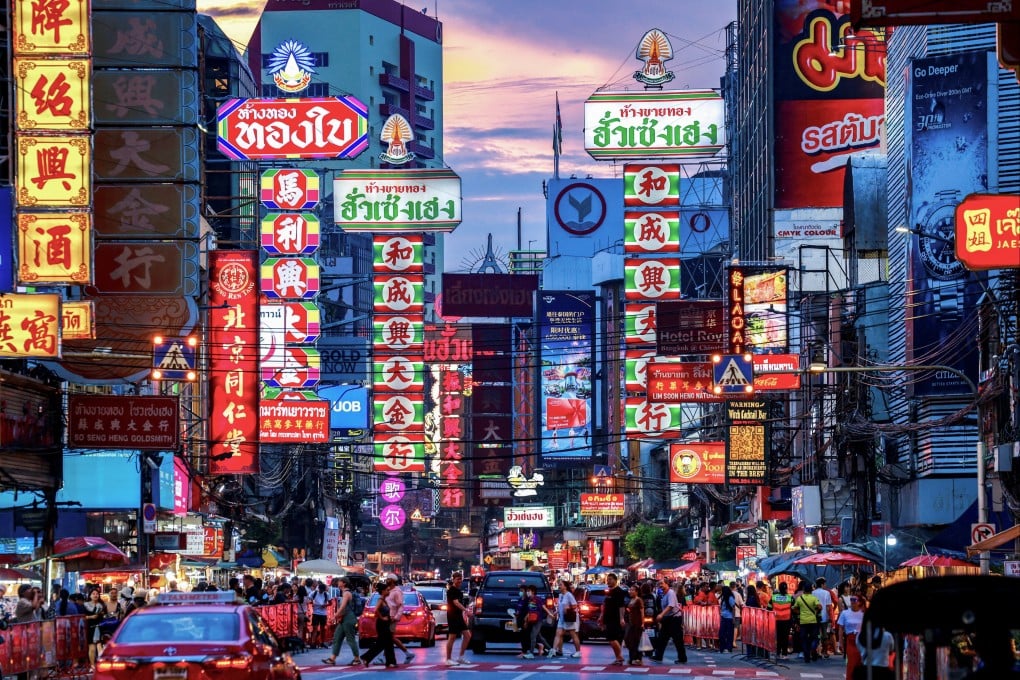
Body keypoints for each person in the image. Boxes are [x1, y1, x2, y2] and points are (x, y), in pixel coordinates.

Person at [322, 577, 362, 666]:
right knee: (337, 637)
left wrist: (335, 616)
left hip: (348, 618)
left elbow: (343, 607)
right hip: (344, 618)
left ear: (344, 583)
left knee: (350, 639)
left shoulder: (346, 593)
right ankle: (332, 658)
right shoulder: (344, 593)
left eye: (340, 582)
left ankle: (357, 658)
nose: (338, 583)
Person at [360, 581, 397, 668]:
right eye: (387, 590)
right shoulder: (380, 600)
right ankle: (366, 657)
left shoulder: (384, 600)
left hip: (385, 623)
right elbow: (375, 610)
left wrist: (389, 618)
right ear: (383, 591)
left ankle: (390, 662)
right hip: (382, 624)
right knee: (382, 643)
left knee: (388, 643)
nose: (388, 592)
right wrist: (382, 618)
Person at [651, 576, 687, 664]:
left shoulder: (670, 593)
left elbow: (670, 606)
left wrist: (661, 615)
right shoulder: (664, 594)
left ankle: (682, 658)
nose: (660, 586)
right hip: (668, 619)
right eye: (659, 584)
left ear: (667, 584)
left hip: (674, 619)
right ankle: (658, 656)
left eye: (662, 584)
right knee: (662, 638)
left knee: (677, 640)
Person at [382, 578, 415, 664]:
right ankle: (386, 657)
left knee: (390, 637)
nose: (387, 580)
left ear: (393, 581)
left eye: (389, 579)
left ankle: (407, 653)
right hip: (388, 615)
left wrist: (397, 616)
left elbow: (400, 605)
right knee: (388, 637)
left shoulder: (397, 592)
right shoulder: (388, 591)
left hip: (392, 617)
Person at [444, 572, 472, 666]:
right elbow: (456, 603)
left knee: (467, 635)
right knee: (452, 637)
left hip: (459, 616)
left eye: (460, 579)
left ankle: (461, 657)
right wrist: (466, 610)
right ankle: (448, 659)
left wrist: (465, 611)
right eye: (457, 579)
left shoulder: (459, 591)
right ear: (453, 579)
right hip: (452, 616)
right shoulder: (451, 590)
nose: (459, 581)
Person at [598, 572, 626, 665]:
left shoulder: (619, 592)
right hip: (607, 618)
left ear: (615, 580)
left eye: (610, 579)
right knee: (612, 639)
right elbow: (604, 605)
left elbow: (621, 606)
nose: (608, 581)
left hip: (615, 619)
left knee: (612, 638)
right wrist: (601, 616)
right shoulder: (609, 591)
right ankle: (618, 658)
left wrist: (622, 618)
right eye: (607, 579)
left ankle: (620, 656)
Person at [836, 594, 866, 680]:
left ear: (859, 602)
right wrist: (840, 643)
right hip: (850, 640)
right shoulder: (845, 613)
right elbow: (841, 629)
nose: (852, 602)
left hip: (862, 641)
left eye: (854, 600)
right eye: (851, 600)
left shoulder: (863, 614)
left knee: (862, 663)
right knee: (851, 663)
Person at [793, 580, 823, 663]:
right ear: (811, 590)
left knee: (804, 639)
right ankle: (813, 648)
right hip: (813, 621)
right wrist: (815, 611)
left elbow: (794, 608)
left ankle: (806, 656)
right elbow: (820, 607)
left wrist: (800, 612)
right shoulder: (814, 598)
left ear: (804, 589)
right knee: (814, 637)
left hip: (803, 622)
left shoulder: (799, 598)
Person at [549, 580, 581, 658]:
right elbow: (560, 606)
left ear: (565, 586)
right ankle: (553, 650)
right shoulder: (560, 595)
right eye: (559, 585)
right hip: (562, 618)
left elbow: (575, 605)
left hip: (569, 618)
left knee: (573, 634)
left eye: (560, 585)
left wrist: (568, 607)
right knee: (558, 633)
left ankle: (578, 652)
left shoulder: (569, 595)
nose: (559, 586)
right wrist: (556, 612)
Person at [82, 587, 106, 664]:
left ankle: (100, 663)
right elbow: (82, 616)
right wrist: (91, 617)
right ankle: (92, 665)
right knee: (91, 647)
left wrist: (102, 614)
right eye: (93, 594)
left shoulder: (101, 605)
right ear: (90, 596)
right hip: (89, 627)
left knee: (99, 645)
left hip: (100, 627)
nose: (95, 595)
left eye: (97, 594)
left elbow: (105, 615)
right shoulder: (85, 605)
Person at [813, 577, 835, 658]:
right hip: (824, 617)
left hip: (815, 617)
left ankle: (817, 651)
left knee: (816, 635)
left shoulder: (813, 593)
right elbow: (828, 607)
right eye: (824, 584)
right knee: (825, 636)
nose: (825, 585)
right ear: (822, 584)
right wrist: (830, 617)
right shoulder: (826, 593)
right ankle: (824, 652)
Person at [770, 581, 794, 659]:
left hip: (777, 620)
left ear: (779, 589)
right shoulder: (790, 598)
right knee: (785, 637)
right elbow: (794, 608)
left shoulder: (774, 597)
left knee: (778, 637)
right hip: (787, 620)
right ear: (786, 588)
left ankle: (777, 653)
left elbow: (769, 608)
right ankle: (784, 654)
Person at [624, 584, 645, 665]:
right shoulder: (631, 600)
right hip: (630, 623)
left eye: (633, 590)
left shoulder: (639, 600)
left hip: (637, 623)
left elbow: (642, 612)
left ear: (637, 592)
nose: (631, 591)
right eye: (630, 590)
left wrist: (643, 623)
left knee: (636, 641)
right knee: (628, 640)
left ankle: (637, 658)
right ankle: (633, 657)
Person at [309, 581, 331, 649]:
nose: (321, 591)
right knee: (315, 628)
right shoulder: (314, 593)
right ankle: (313, 643)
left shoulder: (326, 594)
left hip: (323, 613)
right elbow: (309, 599)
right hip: (316, 613)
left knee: (322, 628)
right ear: (318, 588)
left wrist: (325, 605)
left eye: (322, 590)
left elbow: (330, 603)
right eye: (320, 590)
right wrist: (312, 603)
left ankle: (322, 642)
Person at [718, 584, 737, 653]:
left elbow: (733, 608)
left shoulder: (730, 598)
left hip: (729, 618)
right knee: (722, 633)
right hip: (723, 617)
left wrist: (734, 618)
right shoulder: (723, 598)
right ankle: (723, 647)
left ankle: (728, 648)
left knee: (729, 634)